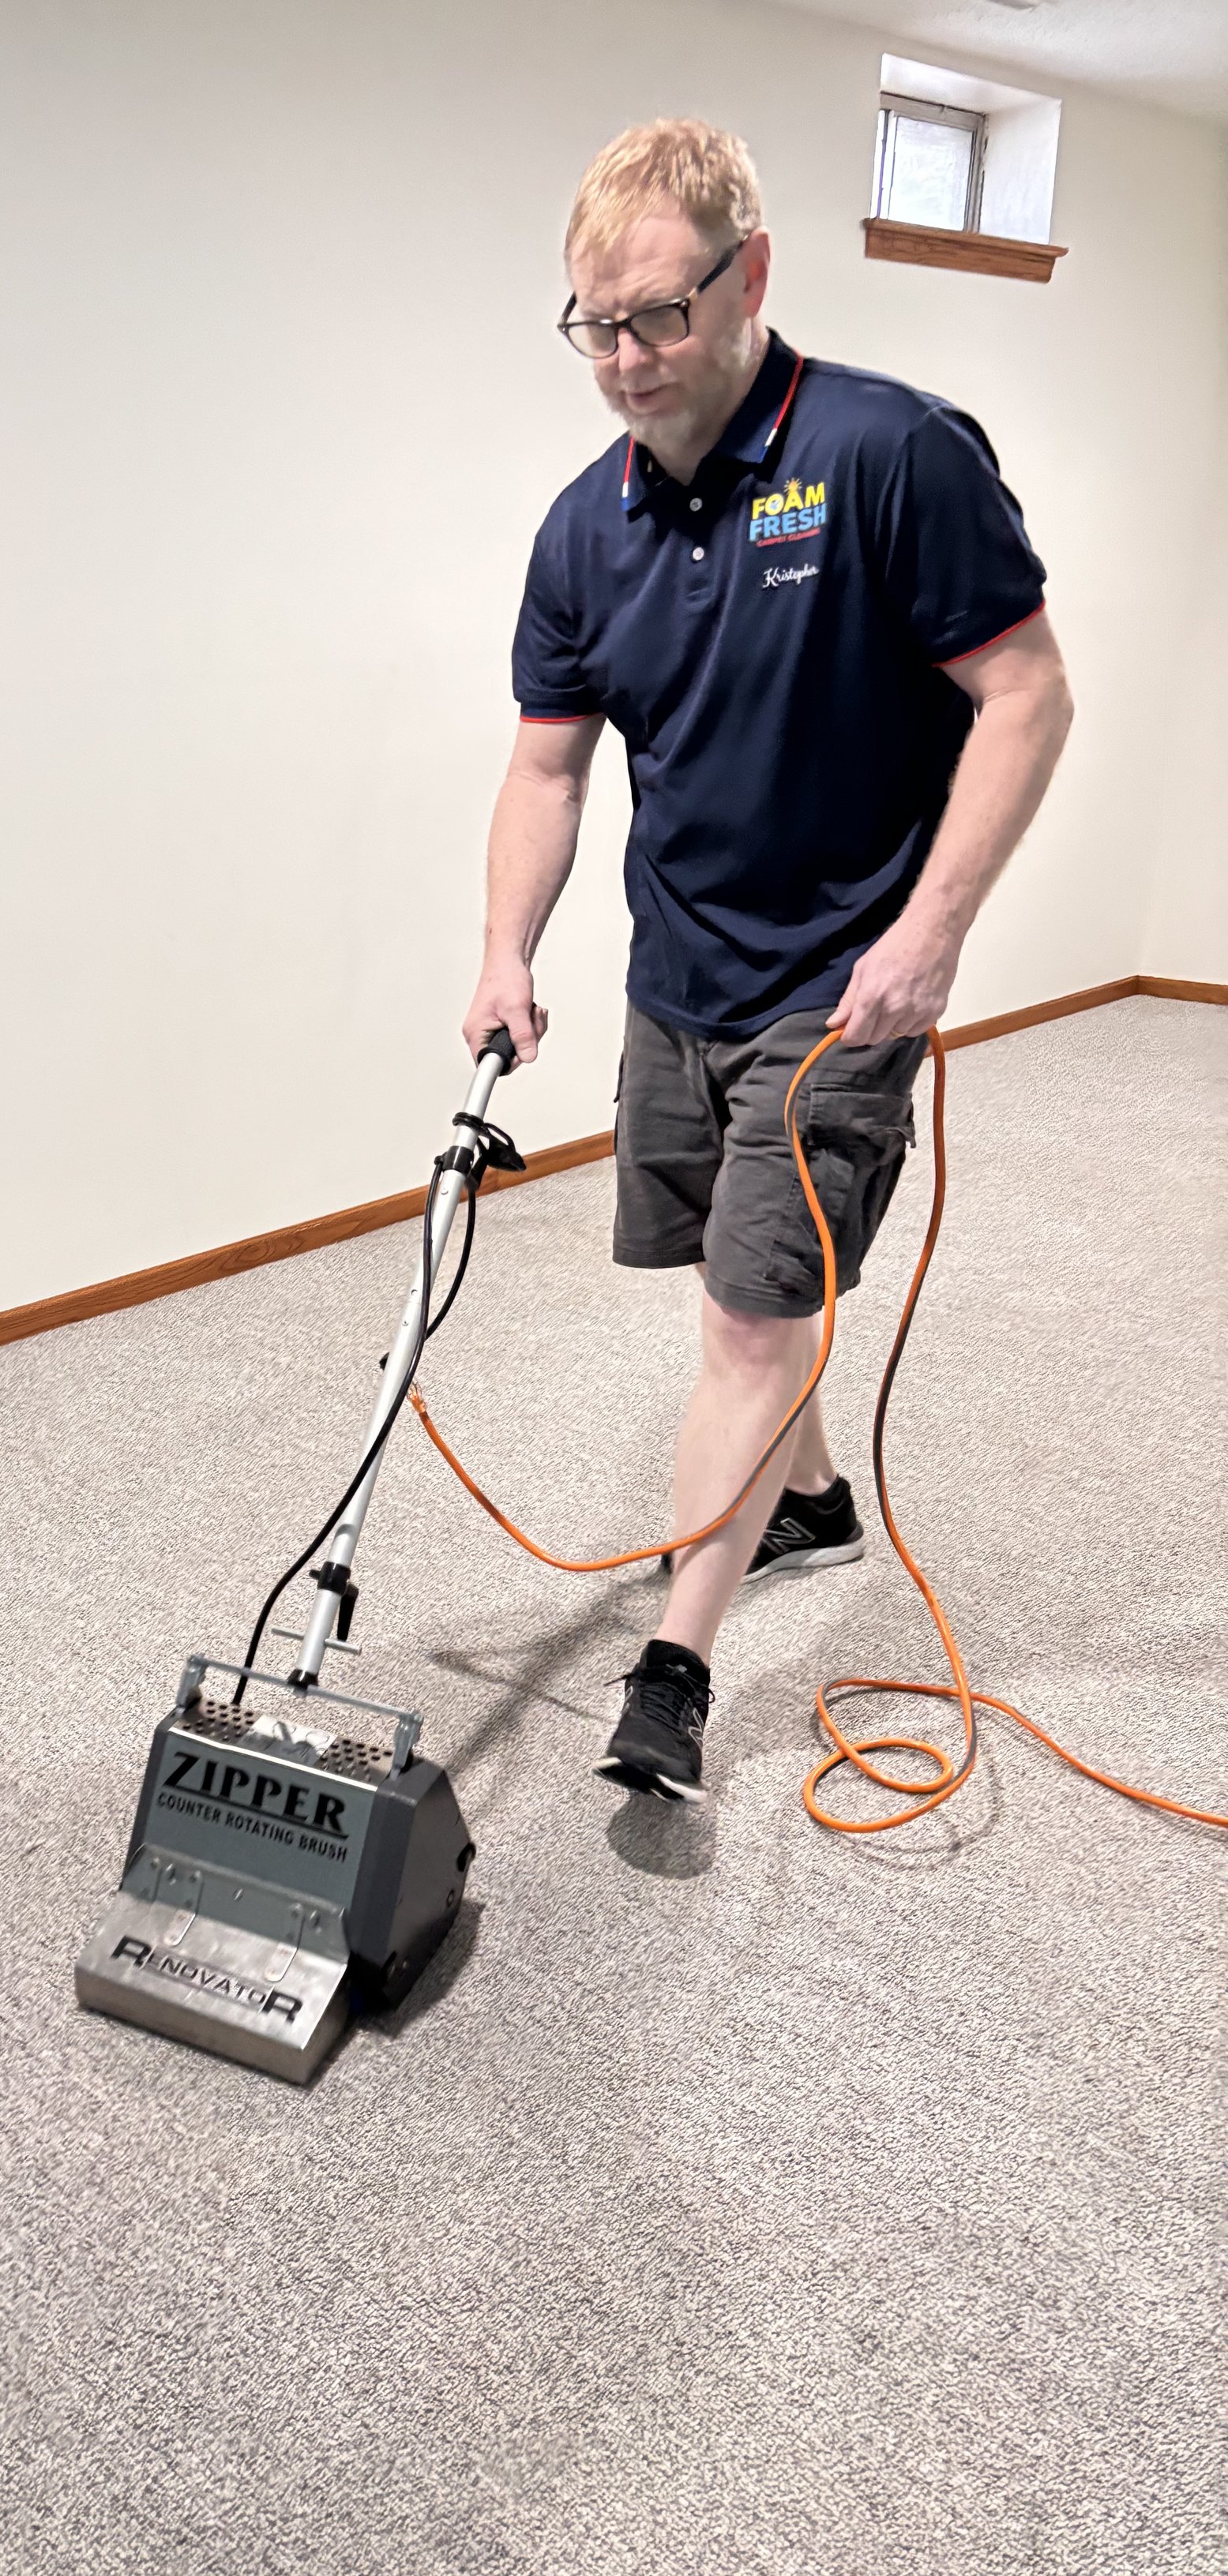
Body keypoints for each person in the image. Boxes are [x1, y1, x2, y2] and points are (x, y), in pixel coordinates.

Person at [461, 119, 1073, 1805]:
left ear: (752, 277)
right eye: (592, 325)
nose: (624, 360)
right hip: (680, 974)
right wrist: (504, 950)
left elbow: (1025, 693)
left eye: (657, 315)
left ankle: (677, 1663)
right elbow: (545, 763)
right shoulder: (583, 528)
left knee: (744, 1320)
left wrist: (930, 935)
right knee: (726, 1280)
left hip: (841, 979)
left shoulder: (888, 453)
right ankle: (801, 1501)